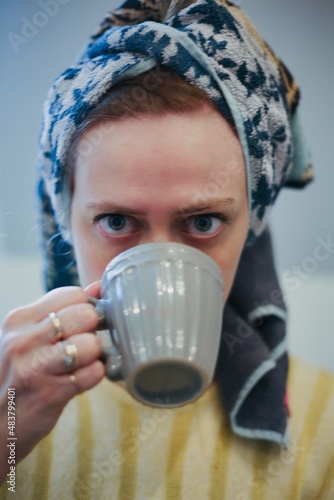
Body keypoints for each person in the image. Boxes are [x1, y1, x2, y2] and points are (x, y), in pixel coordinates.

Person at [1, 0, 333, 498]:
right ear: (65, 221)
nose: (161, 265)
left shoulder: (323, 424)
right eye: (116, 221)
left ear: (252, 225)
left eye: (202, 221)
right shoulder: (10, 404)